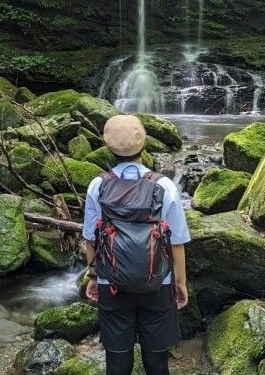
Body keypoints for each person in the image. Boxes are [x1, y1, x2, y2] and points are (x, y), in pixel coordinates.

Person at [82, 114, 190, 375]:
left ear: (108, 147)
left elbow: (90, 238)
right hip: (158, 285)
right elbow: (176, 242)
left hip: (113, 285)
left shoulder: (98, 185)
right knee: (156, 362)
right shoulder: (164, 185)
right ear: (144, 143)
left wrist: (94, 276)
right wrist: (180, 283)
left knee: (117, 364)